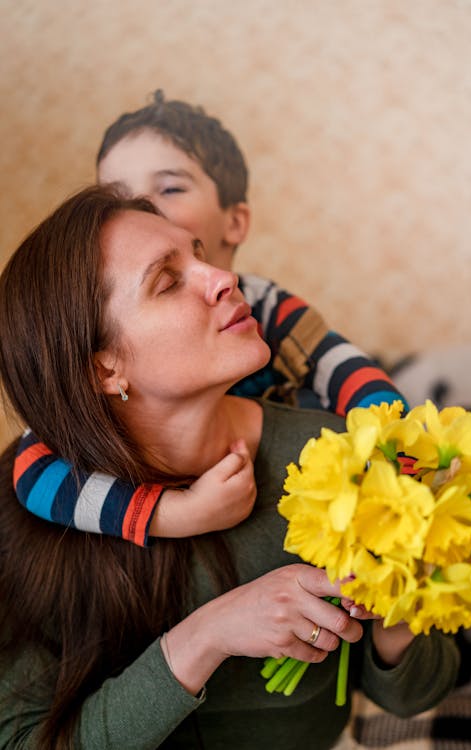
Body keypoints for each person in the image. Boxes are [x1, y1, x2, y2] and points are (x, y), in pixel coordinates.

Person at [0, 186, 459, 749]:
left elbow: (413, 695)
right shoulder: (37, 508)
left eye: (200, 253)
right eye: (168, 281)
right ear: (104, 369)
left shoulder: (337, 453)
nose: (224, 278)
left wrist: (399, 592)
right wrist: (207, 636)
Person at [15, 91, 409, 546]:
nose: (144, 209)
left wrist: (403, 445)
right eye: (119, 194)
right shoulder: (79, 427)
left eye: (170, 188)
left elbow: (343, 369)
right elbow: (34, 469)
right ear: (103, 367)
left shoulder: (264, 304)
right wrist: (171, 514)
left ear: (235, 222)